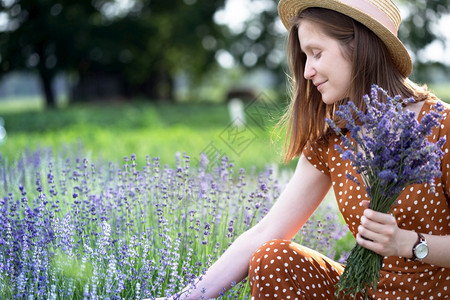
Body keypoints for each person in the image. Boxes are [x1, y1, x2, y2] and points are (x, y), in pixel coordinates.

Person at [154, 0, 450, 298]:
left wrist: (408, 243)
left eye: (317, 53)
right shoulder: (333, 139)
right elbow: (265, 232)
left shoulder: (442, 126)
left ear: (359, 47)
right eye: (305, 57)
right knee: (272, 258)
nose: (307, 71)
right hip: (364, 292)